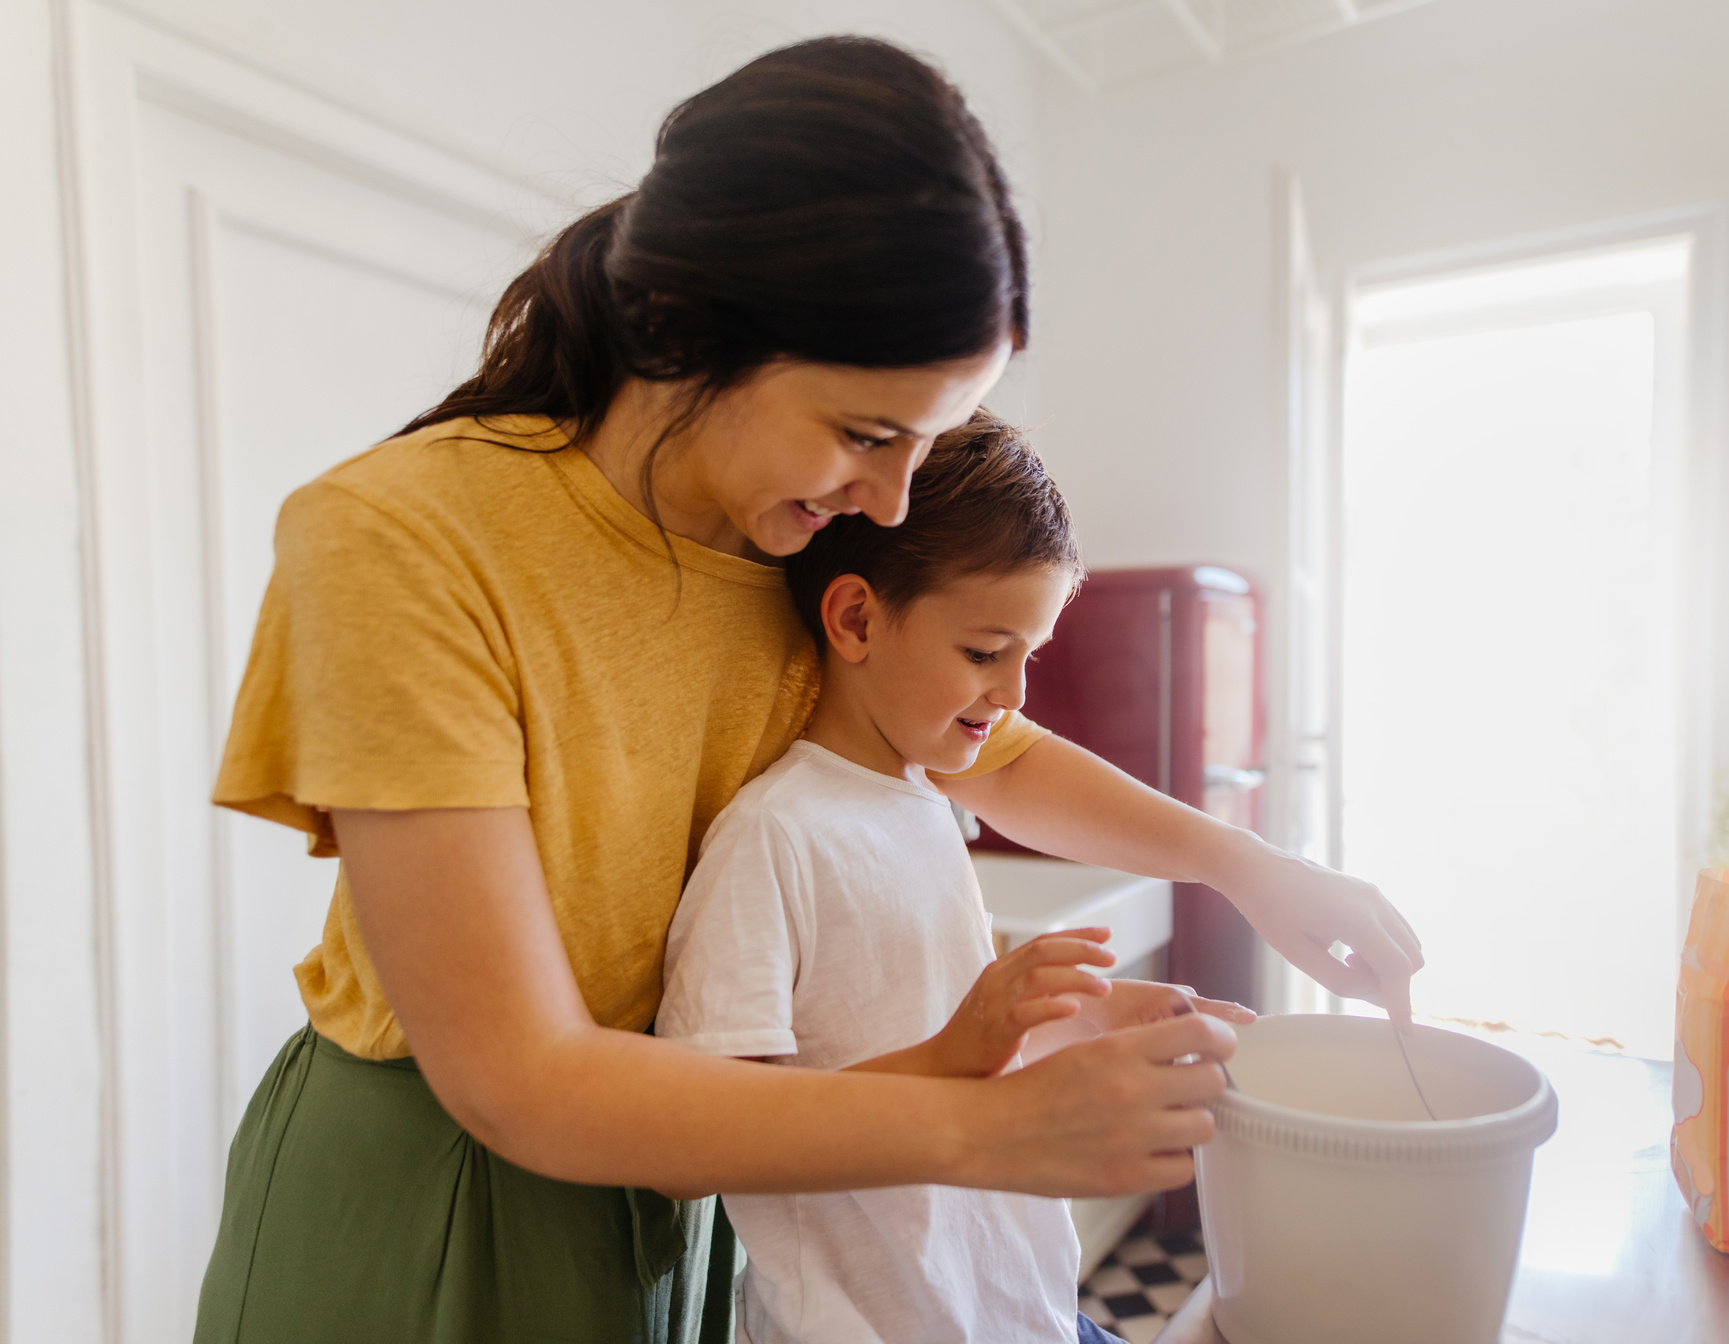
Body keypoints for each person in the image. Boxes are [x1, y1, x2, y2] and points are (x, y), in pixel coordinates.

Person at [194, 35, 1422, 1344]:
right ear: (687, 333)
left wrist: (1247, 866)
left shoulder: (785, 544)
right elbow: (522, 1079)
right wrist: (991, 1123)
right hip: (435, 1197)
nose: (889, 501)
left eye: (926, 445)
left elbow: (989, 751)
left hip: (680, 1163)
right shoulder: (402, 538)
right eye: (866, 435)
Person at [657, 414, 1256, 1344]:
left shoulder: (926, 803)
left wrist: (1100, 1014)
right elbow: (704, 1143)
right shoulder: (772, 838)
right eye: (984, 653)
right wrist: (958, 1053)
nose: (1016, 694)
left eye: (1030, 655)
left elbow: (922, 1021)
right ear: (855, 618)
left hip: (1021, 1315)